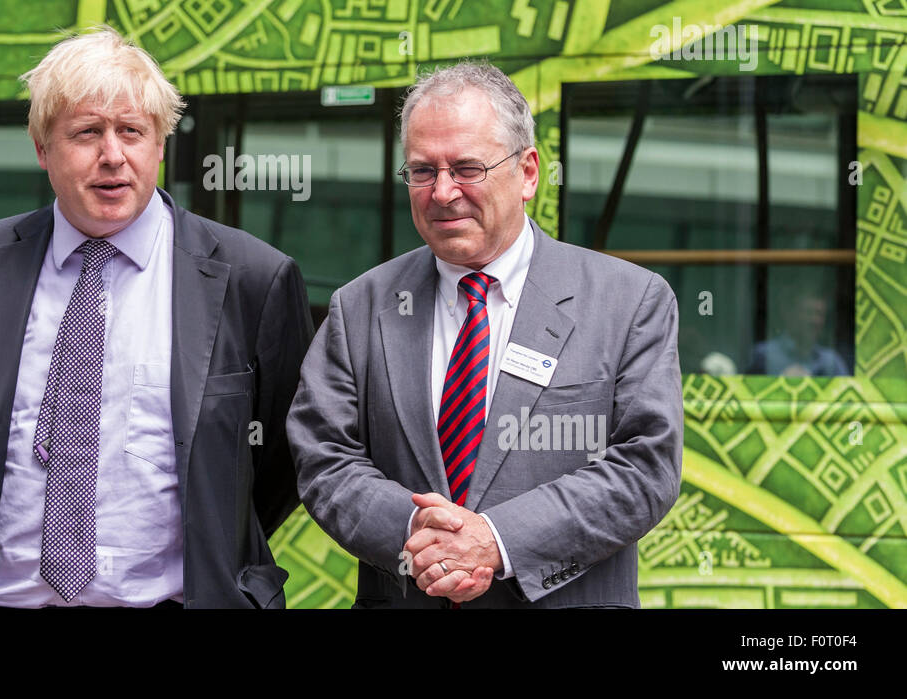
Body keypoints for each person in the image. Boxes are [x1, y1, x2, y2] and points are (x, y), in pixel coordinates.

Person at [0, 26, 313, 609]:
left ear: (159, 145)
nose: (112, 155)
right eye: (86, 133)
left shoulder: (253, 278)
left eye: (132, 131)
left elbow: (281, 460)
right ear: (42, 149)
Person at [286, 62, 683, 608]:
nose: (443, 193)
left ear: (527, 173)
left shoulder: (628, 301)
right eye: (422, 171)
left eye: (467, 168)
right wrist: (420, 538)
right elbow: (324, 455)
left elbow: (646, 466)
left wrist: (495, 541)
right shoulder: (361, 306)